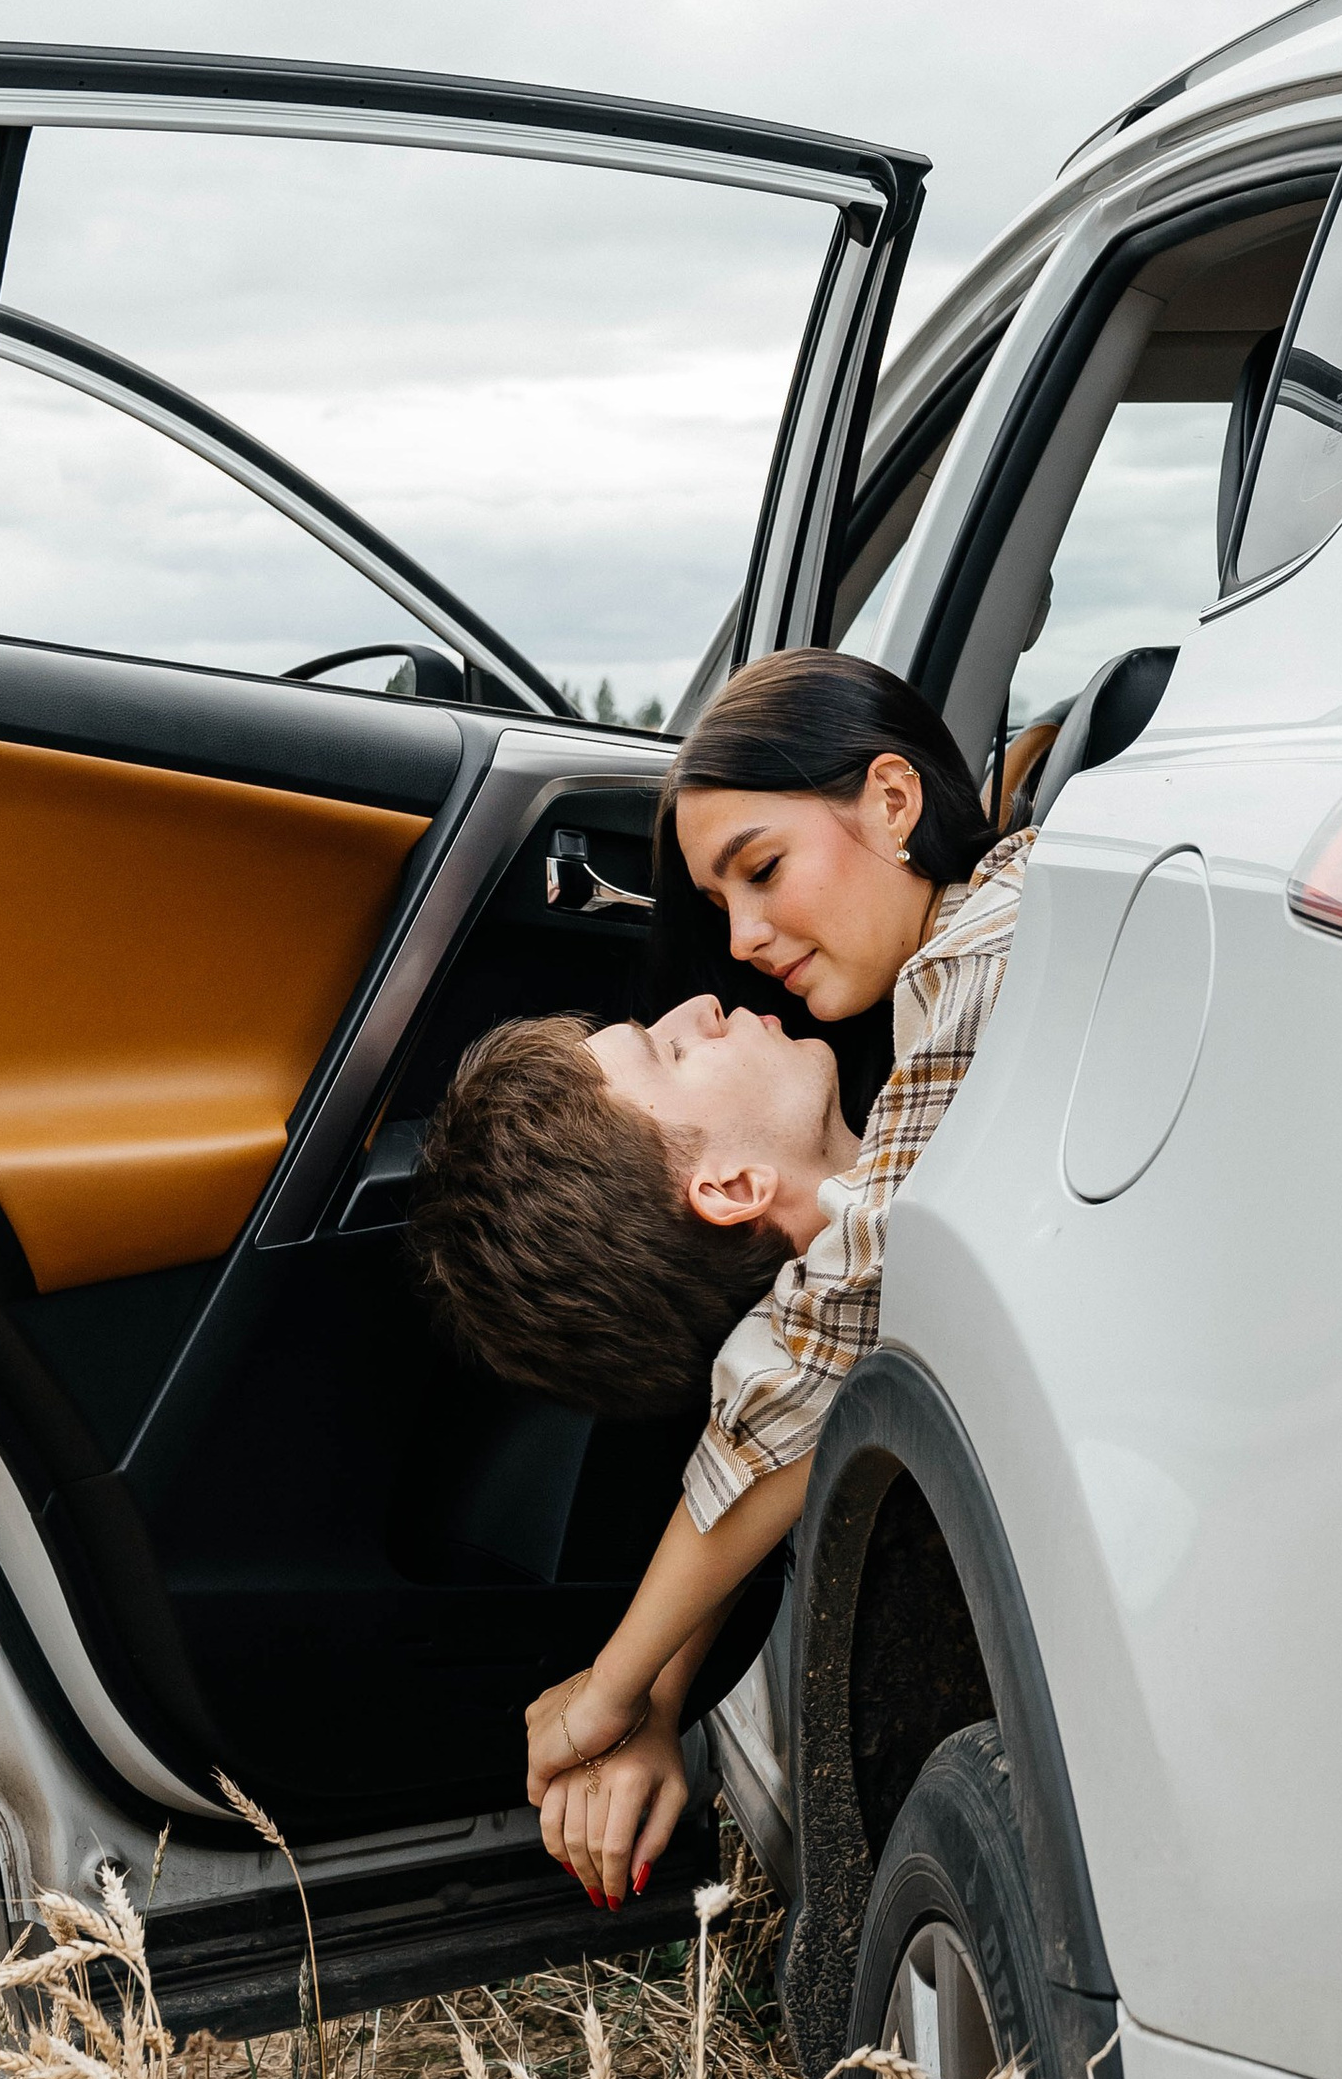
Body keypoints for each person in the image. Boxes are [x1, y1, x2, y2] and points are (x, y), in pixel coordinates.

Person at [406, 650, 1034, 1910]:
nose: (723, 969)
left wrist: (623, 1688)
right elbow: (804, 1359)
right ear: (732, 1192)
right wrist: (629, 1696)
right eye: (665, 1049)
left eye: (762, 869)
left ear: (898, 805)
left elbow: (802, 1356)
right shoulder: (963, 983)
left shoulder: (989, 945)